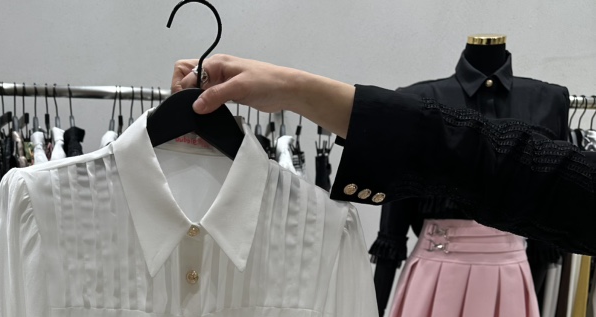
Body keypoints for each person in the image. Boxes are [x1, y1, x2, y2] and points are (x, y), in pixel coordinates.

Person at [172, 56, 595, 256]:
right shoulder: (424, 94)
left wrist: (299, 91)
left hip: (511, 270)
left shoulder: (548, 98)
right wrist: (299, 90)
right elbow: (533, 175)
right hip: (438, 262)